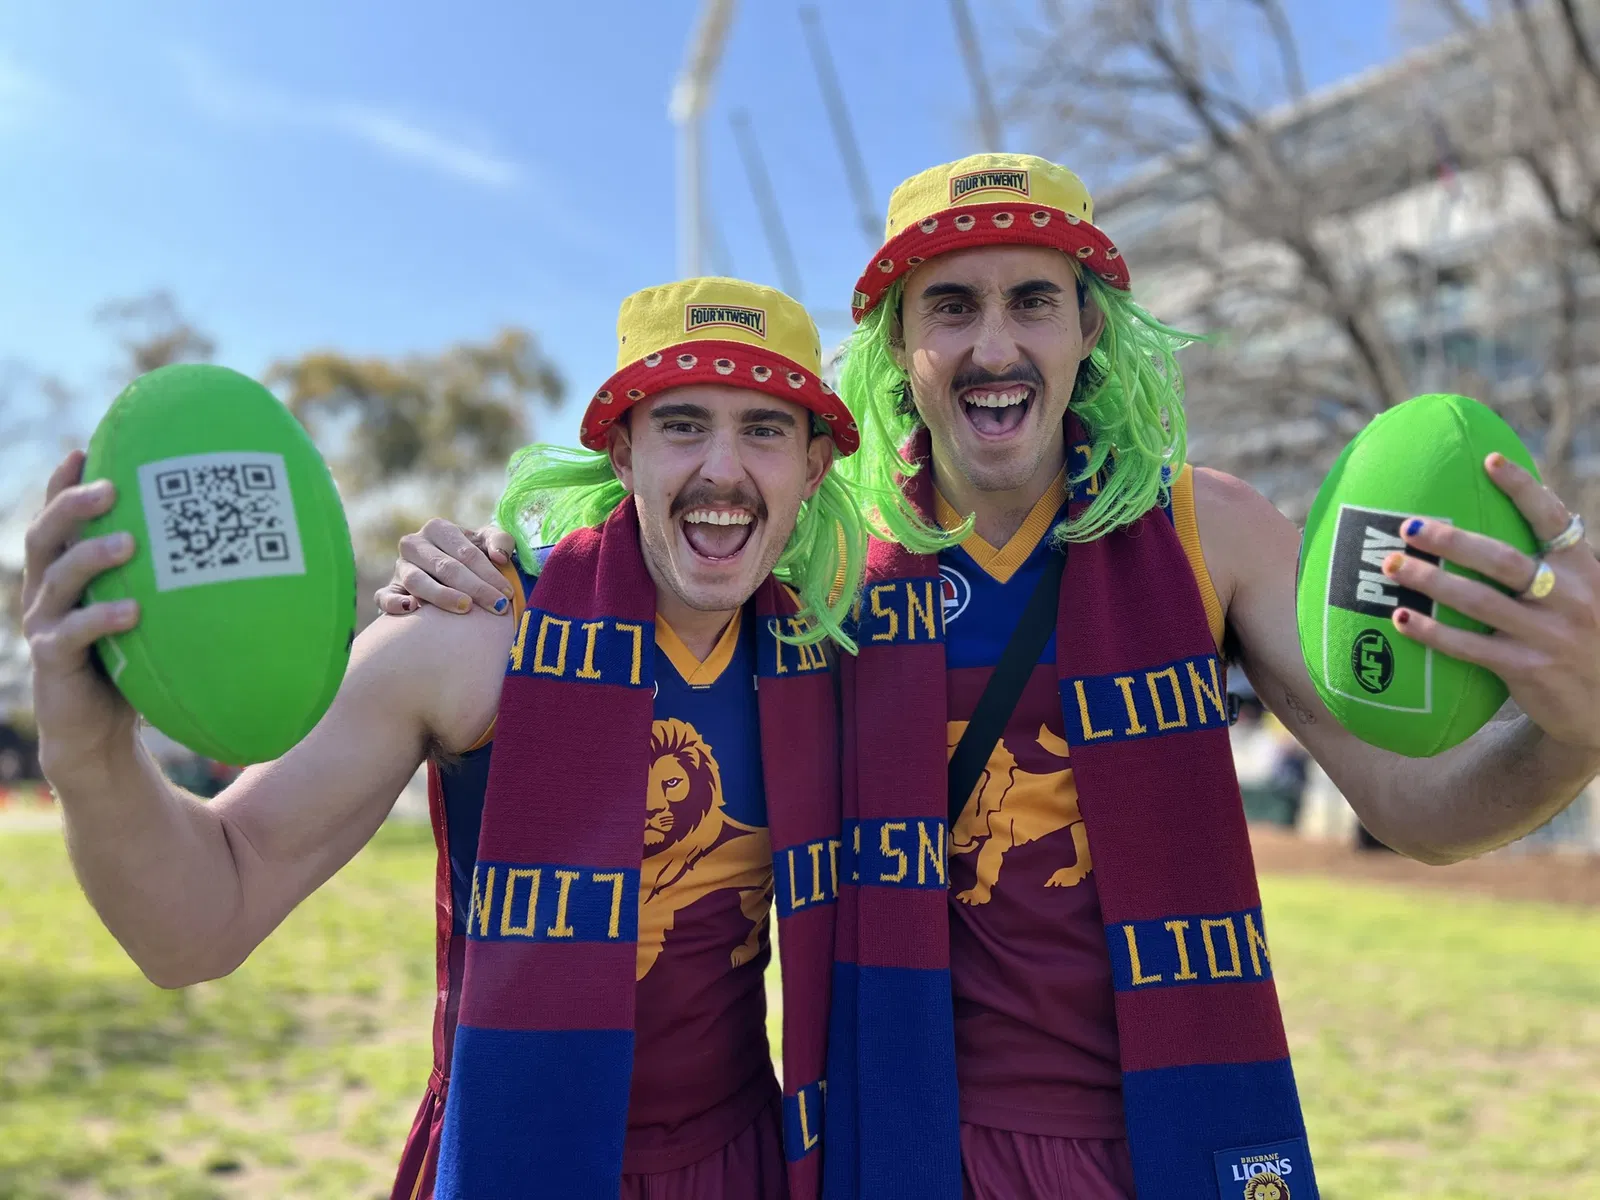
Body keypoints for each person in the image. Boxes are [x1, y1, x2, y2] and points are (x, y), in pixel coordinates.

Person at [383, 154, 1600, 1200]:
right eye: (949, 306)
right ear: (900, 349)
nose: (993, 342)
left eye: (1033, 299)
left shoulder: (1204, 533)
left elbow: (1416, 810)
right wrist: (493, 570)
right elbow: (650, 560)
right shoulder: (823, 563)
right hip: (891, 1142)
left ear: (1087, 331)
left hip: (1160, 1135)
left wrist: (1572, 729)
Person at [22, 277, 870, 1200]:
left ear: (815, 466)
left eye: (765, 428)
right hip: (510, 1160)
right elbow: (199, 920)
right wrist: (90, 744)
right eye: (682, 424)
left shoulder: (829, 664)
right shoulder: (471, 636)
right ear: (623, 453)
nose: (721, 469)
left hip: (745, 1167)